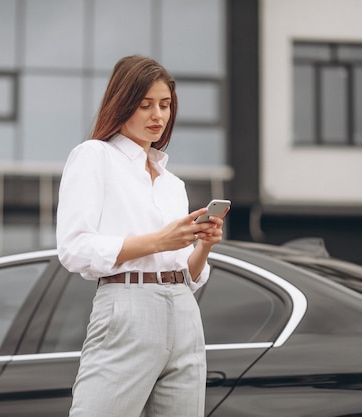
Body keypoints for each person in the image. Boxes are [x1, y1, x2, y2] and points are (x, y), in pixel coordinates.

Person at [56, 55, 224, 417]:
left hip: (183, 311)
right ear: (121, 103)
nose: (158, 116)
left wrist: (203, 246)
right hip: (127, 306)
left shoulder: (172, 183)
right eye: (145, 105)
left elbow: (188, 275)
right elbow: (73, 248)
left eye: (165, 105)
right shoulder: (94, 157)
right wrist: (158, 241)